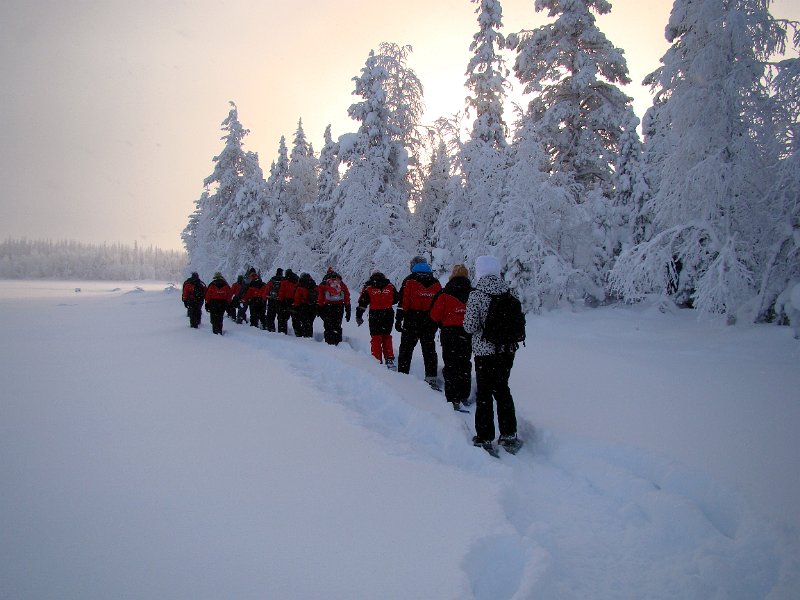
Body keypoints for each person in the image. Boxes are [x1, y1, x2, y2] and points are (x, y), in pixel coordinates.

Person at [463, 255, 521, 452]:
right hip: (507, 351)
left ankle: (484, 437)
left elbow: (470, 326)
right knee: (503, 390)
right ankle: (509, 434)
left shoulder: (477, 295)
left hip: (484, 352)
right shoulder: (510, 293)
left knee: (485, 393)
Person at [430, 264, 473, 411]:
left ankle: (452, 397)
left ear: (452, 275)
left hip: (449, 333)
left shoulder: (444, 293)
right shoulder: (473, 293)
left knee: (451, 364)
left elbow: (435, 315)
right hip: (467, 333)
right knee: (465, 363)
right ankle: (464, 395)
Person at [396, 256, 442, 389]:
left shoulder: (409, 280)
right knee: (429, 350)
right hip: (430, 321)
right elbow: (439, 303)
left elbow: (403, 302)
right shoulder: (435, 282)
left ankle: (402, 375)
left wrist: (398, 319)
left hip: (412, 320)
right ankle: (431, 378)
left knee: (406, 348)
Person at [355, 271, 399, 369]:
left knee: (376, 338)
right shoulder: (390, 285)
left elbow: (362, 303)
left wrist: (359, 315)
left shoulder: (369, 287)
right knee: (387, 336)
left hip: (375, 314)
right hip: (388, 313)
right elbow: (396, 298)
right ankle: (389, 359)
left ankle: (376, 360)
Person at [317, 267, 351, 345]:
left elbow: (320, 297)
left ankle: (329, 342)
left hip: (328, 307)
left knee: (328, 326)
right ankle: (338, 342)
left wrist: (319, 306)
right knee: (337, 325)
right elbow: (347, 296)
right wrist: (347, 308)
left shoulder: (324, 283)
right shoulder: (341, 283)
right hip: (339, 306)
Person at [291, 272, 318, 338]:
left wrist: (295, 306)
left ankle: (304, 338)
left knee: (304, 323)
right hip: (313, 307)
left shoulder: (300, 287)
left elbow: (297, 299)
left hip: (303, 307)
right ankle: (309, 336)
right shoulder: (315, 286)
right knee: (310, 323)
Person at [277, 269, 299, 334]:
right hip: (295, 302)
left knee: (283, 319)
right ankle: (298, 334)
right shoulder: (297, 280)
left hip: (285, 302)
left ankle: (283, 333)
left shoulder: (284, 281)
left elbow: (281, 292)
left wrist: (280, 301)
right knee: (295, 320)